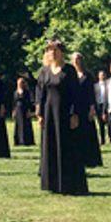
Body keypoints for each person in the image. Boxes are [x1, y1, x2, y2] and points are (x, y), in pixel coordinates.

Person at [37, 40, 88, 195]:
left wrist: (74, 113)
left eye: (55, 50)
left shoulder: (69, 71)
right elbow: (40, 94)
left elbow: (75, 95)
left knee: (67, 145)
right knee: (50, 145)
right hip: (49, 113)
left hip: (65, 114)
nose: (52, 53)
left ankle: (68, 183)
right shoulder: (44, 71)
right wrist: (39, 114)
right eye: (50, 50)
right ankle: (52, 183)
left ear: (61, 52)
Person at [71, 53, 102, 167]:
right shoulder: (69, 74)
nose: (76, 61)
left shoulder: (87, 75)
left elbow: (91, 93)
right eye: (74, 59)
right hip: (74, 108)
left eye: (78, 59)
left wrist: (92, 108)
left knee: (88, 133)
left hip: (85, 107)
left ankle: (90, 159)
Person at [12, 77, 35, 146]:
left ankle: (27, 141)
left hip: (25, 110)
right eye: (18, 83)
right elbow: (13, 102)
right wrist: (13, 111)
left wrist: (29, 111)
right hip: (18, 110)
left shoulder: (27, 92)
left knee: (26, 125)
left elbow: (29, 102)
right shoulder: (15, 92)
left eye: (21, 83)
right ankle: (18, 141)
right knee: (18, 125)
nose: (19, 84)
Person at [94, 70, 108, 145]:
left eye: (103, 75)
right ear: (98, 76)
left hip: (106, 105)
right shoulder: (96, 86)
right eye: (101, 75)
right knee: (100, 123)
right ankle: (102, 140)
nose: (102, 76)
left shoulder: (108, 85)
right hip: (98, 105)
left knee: (109, 123)